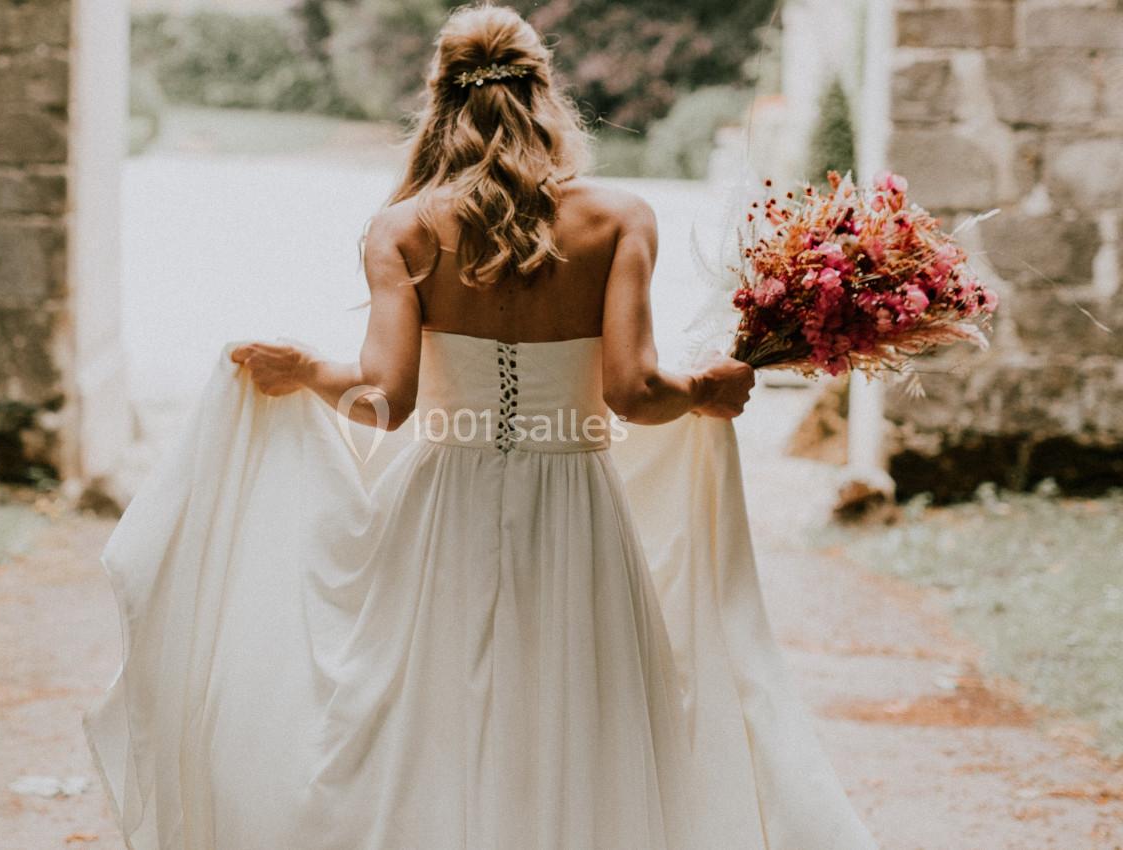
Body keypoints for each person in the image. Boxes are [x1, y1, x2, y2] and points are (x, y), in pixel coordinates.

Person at [84, 6, 879, 849]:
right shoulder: (618, 218)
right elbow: (634, 393)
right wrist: (707, 386)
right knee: (574, 710)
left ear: (437, 101)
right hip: (573, 503)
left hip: (442, 504)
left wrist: (307, 369)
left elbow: (388, 401)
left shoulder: (403, 229)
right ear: (547, 96)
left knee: (434, 714)